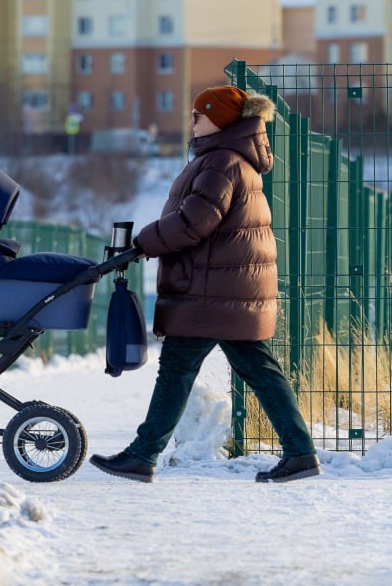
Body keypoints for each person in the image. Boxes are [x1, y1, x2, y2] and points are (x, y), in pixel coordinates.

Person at [89, 85, 320, 484]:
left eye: (198, 114)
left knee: (180, 368)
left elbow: (194, 222)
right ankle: (300, 452)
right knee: (257, 370)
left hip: (212, 292)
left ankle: (144, 455)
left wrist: (145, 241)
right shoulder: (230, 159)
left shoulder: (221, 163)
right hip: (226, 290)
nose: (191, 121)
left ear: (219, 118)